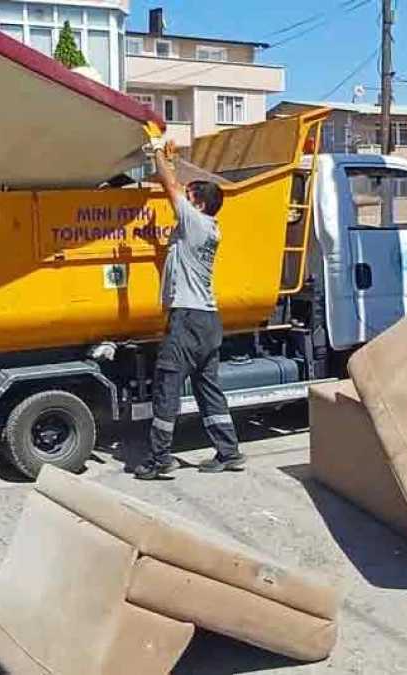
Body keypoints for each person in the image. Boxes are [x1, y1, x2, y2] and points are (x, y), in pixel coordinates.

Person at [133, 133, 244, 480]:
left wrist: (156, 153)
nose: (184, 196)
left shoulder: (195, 222)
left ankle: (159, 459)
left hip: (188, 320)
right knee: (208, 387)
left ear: (197, 204)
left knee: (167, 385)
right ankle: (229, 452)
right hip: (207, 320)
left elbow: (170, 188)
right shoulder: (206, 229)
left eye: (189, 195)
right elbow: (176, 256)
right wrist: (151, 240)